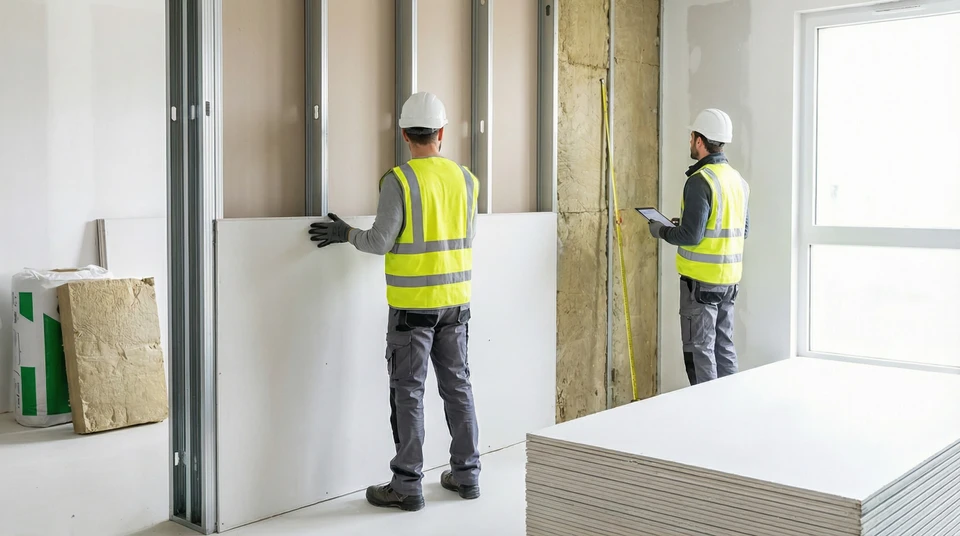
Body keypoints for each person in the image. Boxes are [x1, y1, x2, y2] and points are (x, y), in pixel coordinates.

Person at [308, 92, 481, 512]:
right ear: (441, 133)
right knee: (458, 388)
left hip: (411, 313)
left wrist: (346, 233)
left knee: (409, 394)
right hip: (456, 306)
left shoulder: (398, 180)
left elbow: (379, 241)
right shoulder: (466, 179)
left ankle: (406, 485)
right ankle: (466, 475)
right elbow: (468, 238)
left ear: (405, 134)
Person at [647, 108, 750, 386]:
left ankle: (708, 417)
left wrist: (662, 230)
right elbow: (742, 229)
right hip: (728, 283)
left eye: (692, 137)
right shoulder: (737, 181)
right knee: (724, 347)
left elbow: (691, 237)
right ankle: (729, 409)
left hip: (700, 286)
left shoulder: (700, 181)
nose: (690, 142)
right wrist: (689, 224)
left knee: (700, 352)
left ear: (700, 141)